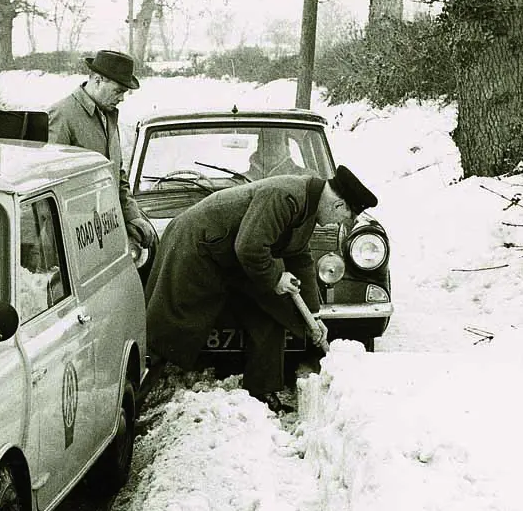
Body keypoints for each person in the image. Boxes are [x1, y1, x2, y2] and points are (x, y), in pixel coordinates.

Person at [143, 166, 378, 412]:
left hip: (231, 256)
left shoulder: (310, 204)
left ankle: (261, 391)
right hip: (197, 246)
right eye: (341, 219)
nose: (336, 224)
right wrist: (276, 278)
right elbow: (249, 247)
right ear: (339, 206)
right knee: (170, 326)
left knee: (272, 312)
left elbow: (299, 256)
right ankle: (136, 395)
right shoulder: (284, 196)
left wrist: (314, 316)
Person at [47, 49, 157, 249]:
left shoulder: (108, 116)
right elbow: (51, 185)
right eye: (118, 91)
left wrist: (132, 216)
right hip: (74, 237)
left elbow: (117, 175)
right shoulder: (62, 115)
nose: (122, 98)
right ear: (98, 79)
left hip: (105, 230)